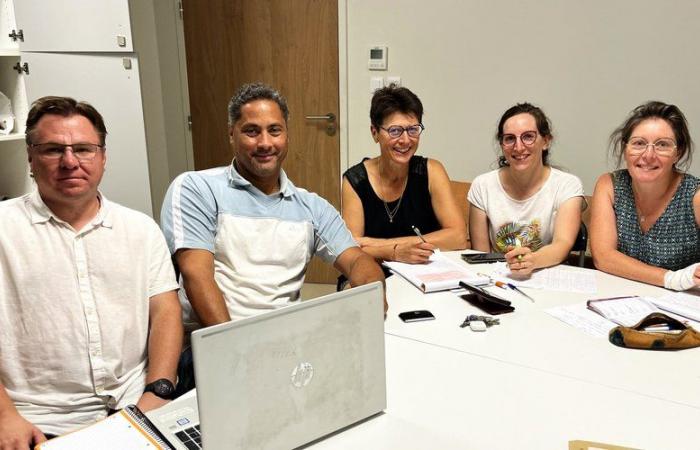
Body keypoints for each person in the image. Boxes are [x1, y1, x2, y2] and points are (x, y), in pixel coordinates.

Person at [0, 96, 182, 447]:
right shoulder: (5, 229)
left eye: (83, 149)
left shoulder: (140, 229)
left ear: (103, 156)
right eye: (53, 150)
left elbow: (165, 312)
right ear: (30, 158)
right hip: (37, 421)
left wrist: (158, 390)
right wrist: (5, 415)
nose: (70, 162)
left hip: (135, 406)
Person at [160, 83, 385, 332]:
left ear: (287, 134)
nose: (265, 143)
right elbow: (197, 278)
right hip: (214, 343)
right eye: (252, 131)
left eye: (274, 130)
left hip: (284, 342)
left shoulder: (312, 207)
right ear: (231, 134)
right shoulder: (197, 188)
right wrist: (236, 350)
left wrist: (371, 289)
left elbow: (357, 262)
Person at [341, 85, 467, 264]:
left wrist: (382, 245)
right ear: (375, 133)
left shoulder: (432, 171)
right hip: (373, 269)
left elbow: (458, 237)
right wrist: (394, 253)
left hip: (425, 268)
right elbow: (352, 250)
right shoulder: (355, 181)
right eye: (395, 131)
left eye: (413, 129)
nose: (406, 140)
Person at [590, 101, 700, 290]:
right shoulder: (609, 185)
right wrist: (672, 279)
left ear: (678, 153)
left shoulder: (694, 196)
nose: (648, 155)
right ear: (625, 149)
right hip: (622, 301)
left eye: (662, 145)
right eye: (639, 143)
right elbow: (603, 257)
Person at [468, 103, 584, 276]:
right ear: (502, 144)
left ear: (545, 141)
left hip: (546, 275)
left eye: (528, 136)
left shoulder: (567, 185)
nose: (519, 147)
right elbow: (482, 256)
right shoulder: (482, 185)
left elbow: (562, 244)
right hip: (500, 277)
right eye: (509, 138)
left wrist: (533, 261)